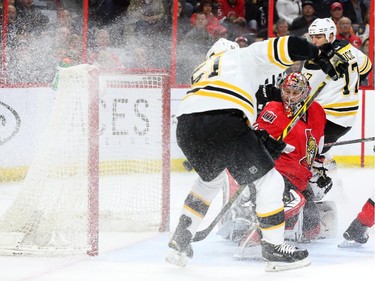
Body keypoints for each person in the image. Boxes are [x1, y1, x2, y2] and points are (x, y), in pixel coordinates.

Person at [166, 36, 346, 272]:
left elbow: (216, 112)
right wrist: (319, 55)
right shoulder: (241, 56)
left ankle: (180, 240)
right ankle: (274, 249)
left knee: (210, 181)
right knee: (270, 180)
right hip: (225, 119)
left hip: (187, 127)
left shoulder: (202, 69)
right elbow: (289, 45)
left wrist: (257, 140)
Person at [301, 18, 372, 170]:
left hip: (327, 119)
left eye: (318, 37)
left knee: (304, 156)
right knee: (318, 154)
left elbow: (300, 93)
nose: (314, 41)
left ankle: (310, 185)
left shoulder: (315, 62)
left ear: (331, 36)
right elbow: (367, 67)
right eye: (312, 37)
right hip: (347, 119)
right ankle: (331, 172)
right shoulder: (347, 47)